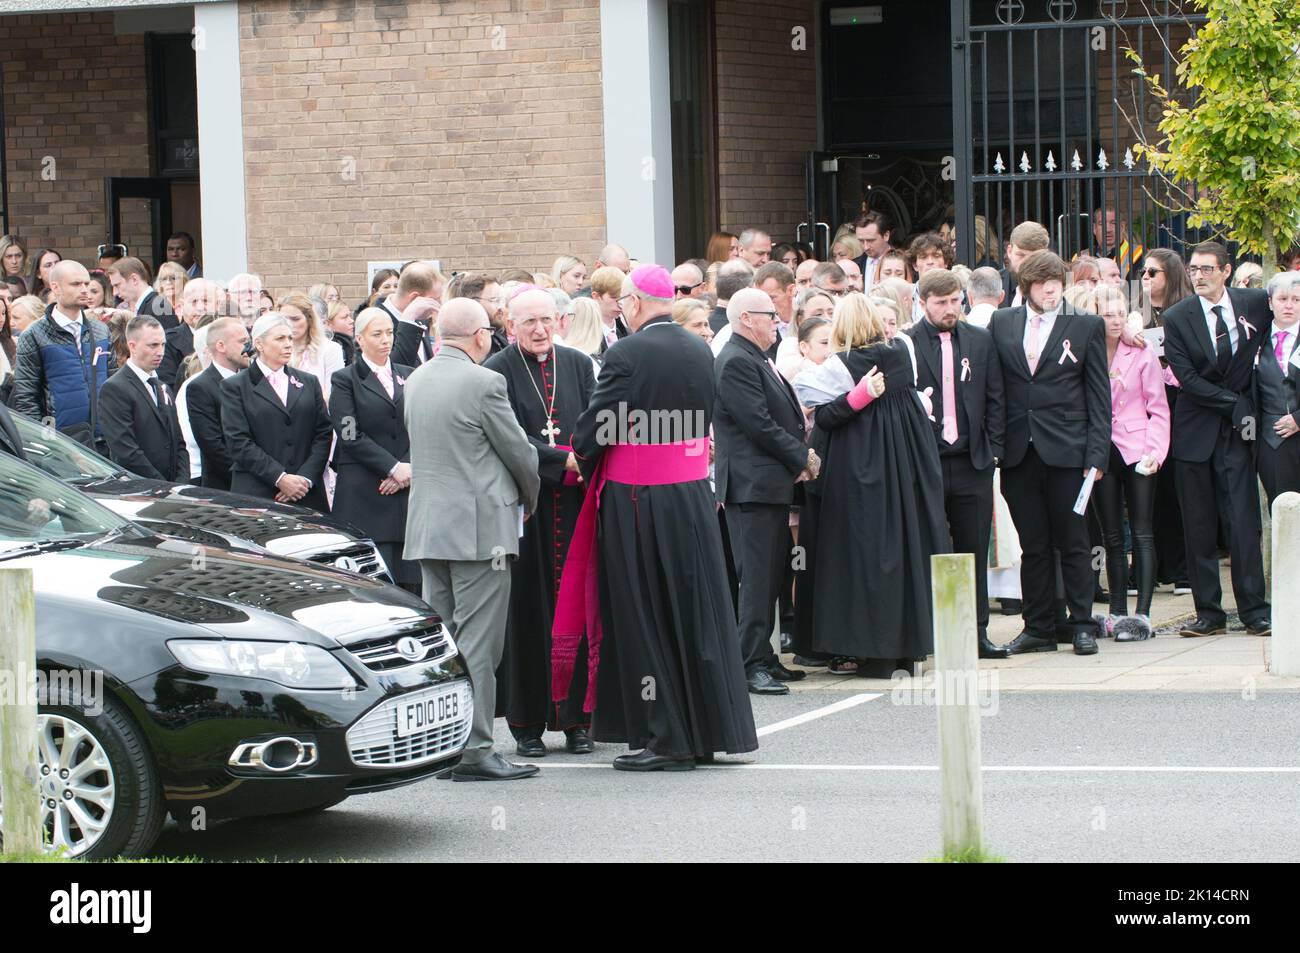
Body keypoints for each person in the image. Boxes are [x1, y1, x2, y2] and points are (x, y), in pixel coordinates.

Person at [556, 263, 758, 771]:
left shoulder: (626, 352)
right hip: (690, 493)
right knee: (695, 611)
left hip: (640, 497)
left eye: (624, 300)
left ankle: (666, 737)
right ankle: (706, 731)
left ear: (636, 302)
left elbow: (597, 428)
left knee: (644, 612)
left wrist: (577, 452)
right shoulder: (698, 346)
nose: (622, 308)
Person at [404, 297, 541, 781]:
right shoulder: (486, 382)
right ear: (480, 335)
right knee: (479, 645)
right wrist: (529, 499)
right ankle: (476, 749)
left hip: (428, 527)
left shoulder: (416, 380)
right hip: (481, 531)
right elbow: (521, 454)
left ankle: (443, 744)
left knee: (443, 645)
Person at [794, 293, 947, 677]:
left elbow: (821, 412)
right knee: (904, 548)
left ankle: (866, 648)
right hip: (906, 466)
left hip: (859, 469)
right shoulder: (901, 351)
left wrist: (853, 400)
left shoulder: (840, 364)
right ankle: (906, 648)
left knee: (862, 556)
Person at [483, 288, 597, 757]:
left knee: (575, 611)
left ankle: (577, 721)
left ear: (561, 321)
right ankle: (527, 725)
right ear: (510, 326)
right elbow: (506, 436)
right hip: (524, 508)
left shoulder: (578, 364)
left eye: (547, 320)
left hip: (572, 509)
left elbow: (596, 420)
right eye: (528, 322)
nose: (539, 330)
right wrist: (563, 460)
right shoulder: (495, 372)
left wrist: (585, 456)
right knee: (527, 615)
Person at [989, 249, 1110, 656]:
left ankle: (1081, 625)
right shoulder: (1002, 322)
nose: (1051, 290)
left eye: (1056, 282)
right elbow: (997, 389)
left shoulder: (1086, 325)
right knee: (1033, 544)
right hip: (1019, 451)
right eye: (1043, 284)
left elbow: (1099, 396)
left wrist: (1097, 457)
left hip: (1069, 451)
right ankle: (1038, 626)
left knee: (1073, 541)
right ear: (1026, 286)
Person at [1162, 241, 1271, 637]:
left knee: (1242, 522)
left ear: (1226, 271)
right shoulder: (1177, 317)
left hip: (1239, 434)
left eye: (1207, 269)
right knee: (1199, 524)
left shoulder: (1256, 302)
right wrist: (1233, 403)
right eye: (1193, 270)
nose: (1199, 276)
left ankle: (1255, 611)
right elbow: (1186, 378)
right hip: (1196, 429)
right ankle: (1209, 613)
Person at [713, 286, 816, 695]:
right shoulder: (736, 360)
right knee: (755, 578)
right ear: (745, 319)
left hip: (766, 484)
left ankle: (763, 656)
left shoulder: (755, 356)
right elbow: (757, 423)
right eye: (769, 315)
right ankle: (748, 661)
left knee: (772, 573)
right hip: (750, 487)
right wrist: (801, 456)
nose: (777, 321)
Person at [907, 269, 1008, 659]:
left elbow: (996, 398)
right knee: (930, 547)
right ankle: (931, 633)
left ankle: (976, 632)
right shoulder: (908, 343)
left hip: (971, 460)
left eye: (955, 301)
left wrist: (994, 449)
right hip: (928, 461)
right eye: (940, 303)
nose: (950, 309)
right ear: (923, 303)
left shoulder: (980, 341)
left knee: (972, 549)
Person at [1090, 284, 1170, 640]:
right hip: (1101, 449)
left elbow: (1159, 408)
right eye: (1107, 314)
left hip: (1138, 447)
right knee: (1111, 536)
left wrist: (1155, 452)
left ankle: (1143, 615)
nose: (1115, 320)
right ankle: (1117, 612)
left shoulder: (1141, 350)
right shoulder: (1086, 350)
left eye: (1120, 313)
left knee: (1142, 531)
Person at [329, 307, 418, 590]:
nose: (386, 340)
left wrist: (407, 467)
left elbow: (422, 425)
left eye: (390, 333)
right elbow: (349, 433)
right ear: (359, 338)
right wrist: (392, 467)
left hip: (407, 490)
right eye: (377, 334)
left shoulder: (410, 375)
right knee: (373, 581)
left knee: (412, 579)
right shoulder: (345, 379)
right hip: (366, 491)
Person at [221, 312, 333, 512]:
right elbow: (238, 441)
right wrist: (280, 478)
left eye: (290, 338)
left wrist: (305, 479)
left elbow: (323, 432)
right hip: (259, 492)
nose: (288, 344)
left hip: (307, 492)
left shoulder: (308, 382)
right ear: (259, 344)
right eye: (280, 338)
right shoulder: (235, 386)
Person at [11, 261, 114, 449]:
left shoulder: (101, 330)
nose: (84, 290)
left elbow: (113, 382)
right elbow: (26, 396)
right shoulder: (34, 335)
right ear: (55, 287)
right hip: (61, 441)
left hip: (104, 438)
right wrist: (44, 440)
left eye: (86, 284)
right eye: (76, 284)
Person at [97, 315, 189, 482]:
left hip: (173, 490)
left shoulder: (163, 387)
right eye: (153, 345)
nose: (160, 352)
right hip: (140, 490)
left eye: (162, 345)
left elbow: (179, 442)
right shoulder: (115, 388)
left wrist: (181, 482)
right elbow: (125, 450)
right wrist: (162, 485)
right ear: (132, 346)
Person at [185, 316, 248, 490]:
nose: (248, 348)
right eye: (242, 341)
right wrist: (250, 476)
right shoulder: (200, 387)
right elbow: (213, 446)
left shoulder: (253, 380)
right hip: (226, 487)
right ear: (221, 346)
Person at [1255, 271, 1300, 504]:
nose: (1289, 305)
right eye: (1283, 299)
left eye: (1296, 299)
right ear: (1270, 303)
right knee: (1283, 511)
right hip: (1273, 442)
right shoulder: (1255, 338)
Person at [158, 278, 223, 388]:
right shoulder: (168, 341)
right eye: (194, 302)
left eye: (206, 301)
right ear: (182, 305)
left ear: (217, 305)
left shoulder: (228, 336)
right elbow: (168, 386)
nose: (200, 307)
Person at [281, 291, 345, 402]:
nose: (289, 324)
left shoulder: (330, 349)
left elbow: (333, 395)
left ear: (309, 319)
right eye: (284, 319)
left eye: (295, 319)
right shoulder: (276, 350)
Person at [379, 263, 439, 367]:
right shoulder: (374, 321)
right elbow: (392, 370)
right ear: (415, 298)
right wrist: (407, 321)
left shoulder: (421, 318)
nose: (439, 305)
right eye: (435, 300)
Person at [108, 257, 177, 330]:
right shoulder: (153, 305)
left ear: (134, 279)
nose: (114, 293)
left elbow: (169, 340)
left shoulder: (160, 306)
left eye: (117, 285)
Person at [999, 221, 1051, 307]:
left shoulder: (1065, 282)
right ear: (1009, 251)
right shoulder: (992, 282)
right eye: (1020, 255)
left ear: (1045, 254)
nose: (1026, 263)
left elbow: (1069, 315)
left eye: (1033, 257)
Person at [589, 265, 630, 348]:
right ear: (596, 297)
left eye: (623, 297)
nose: (620, 303)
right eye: (614, 298)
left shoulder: (628, 332)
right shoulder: (586, 335)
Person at [853, 211, 893, 282]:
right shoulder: (854, 265)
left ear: (886, 236)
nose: (865, 247)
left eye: (870, 240)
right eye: (861, 241)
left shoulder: (905, 264)